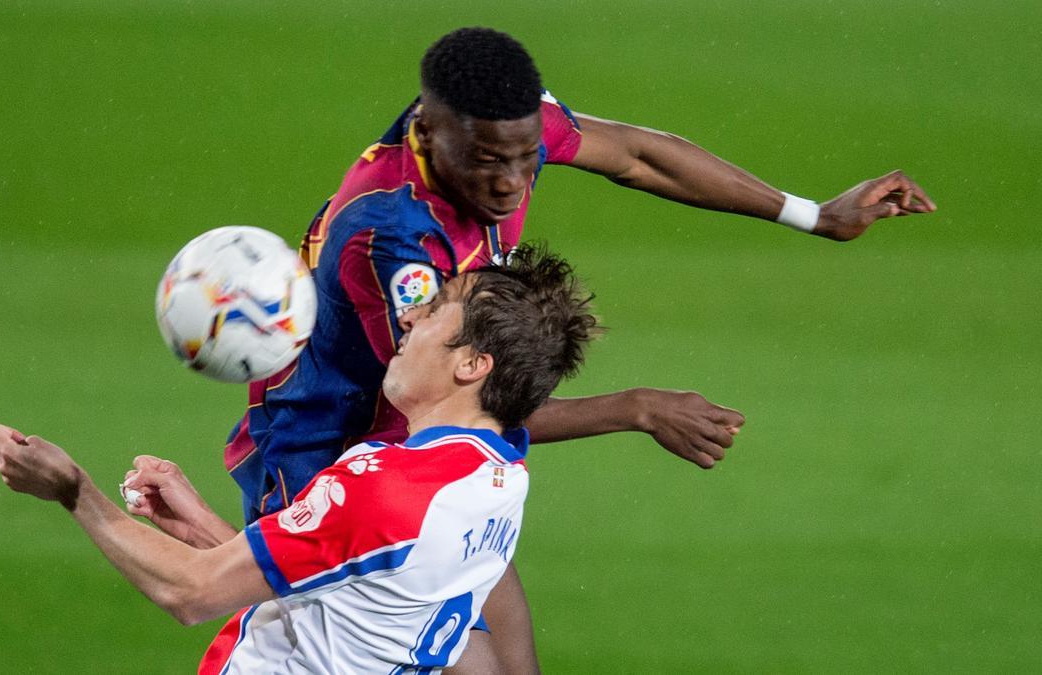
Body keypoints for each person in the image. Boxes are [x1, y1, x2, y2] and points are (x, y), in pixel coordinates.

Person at [150, 27, 936, 671]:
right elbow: (461, 398)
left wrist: (811, 215)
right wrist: (633, 407)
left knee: (507, 655)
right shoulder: (397, 238)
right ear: (429, 133)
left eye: (529, 155)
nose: (513, 180)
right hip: (332, 460)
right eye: (491, 161)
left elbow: (637, 153)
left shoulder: (495, 117)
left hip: (423, 463)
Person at [0, 244, 599, 673]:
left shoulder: (388, 487)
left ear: (472, 365)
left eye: (436, 311)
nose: (409, 315)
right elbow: (349, 602)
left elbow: (191, 594)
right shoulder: (497, 473)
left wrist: (73, 490)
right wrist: (208, 530)